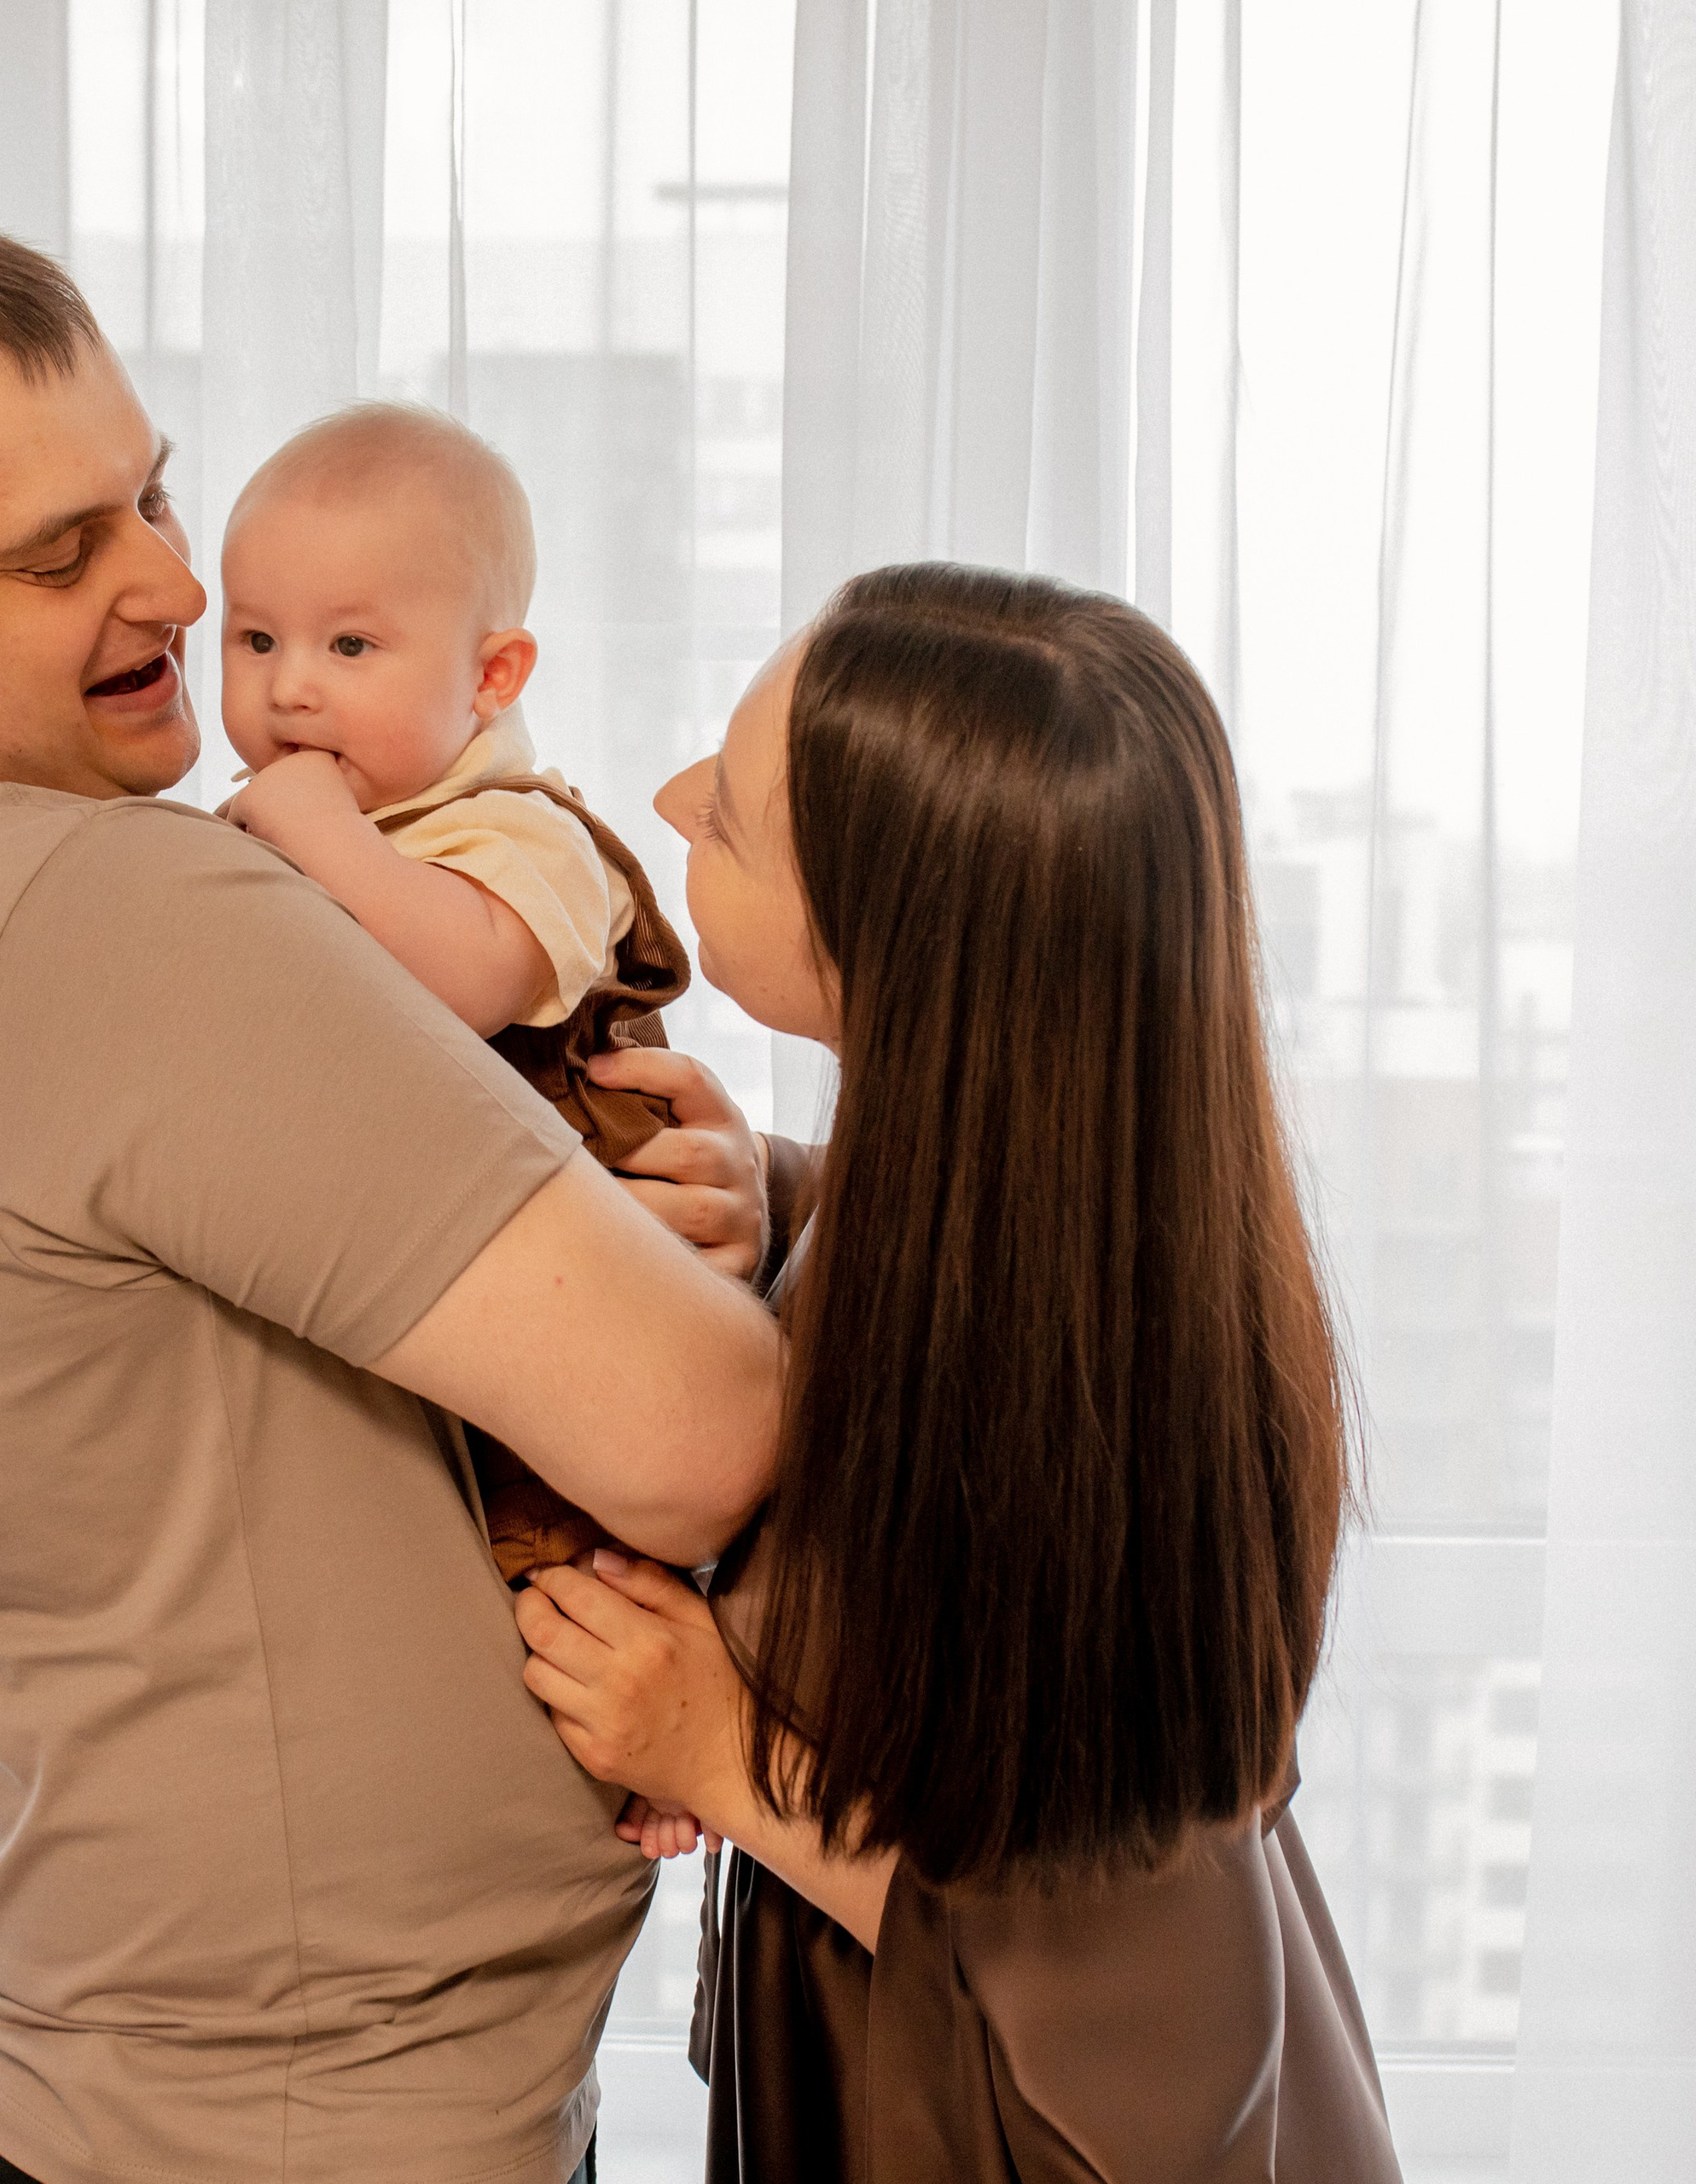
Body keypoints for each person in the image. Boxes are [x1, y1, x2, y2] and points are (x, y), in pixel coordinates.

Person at [0, 201, 781, 2184]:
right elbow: (699, 1436)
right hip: (271, 2129)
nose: (180, 585)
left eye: (150, 495)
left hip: (161, 2077)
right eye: (56, 551)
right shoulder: (114, 903)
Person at [515, 565, 1407, 2180]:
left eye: (724, 819)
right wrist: (779, 1187)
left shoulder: (1086, 1434)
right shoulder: (1080, 1215)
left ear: (894, 938)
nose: (666, 806)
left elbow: (1103, 2018)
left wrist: (727, 1755)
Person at [219, 402, 694, 1578]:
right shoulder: (318, 822)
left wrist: (323, 834)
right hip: (419, 1327)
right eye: (256, 640)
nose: (291, 693)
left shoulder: (526, 836)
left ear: (493, 674)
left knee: (571, 1608)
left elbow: (466, 983)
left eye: (350, 648)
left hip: (584, 1344)